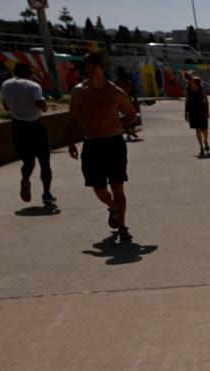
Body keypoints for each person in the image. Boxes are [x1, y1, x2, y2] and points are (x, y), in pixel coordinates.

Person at [67, 52, 137, 241]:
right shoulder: (79, 91)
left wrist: (116, 125)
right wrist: (71, 142)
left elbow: (131, 114)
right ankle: (112, 207)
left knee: (117, 187)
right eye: (87, 66)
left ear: (102, 68)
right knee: (98, 188)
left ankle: (122, 227)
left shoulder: (115, 92)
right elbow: (72, 118)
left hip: (114, 143)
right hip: (92, 143)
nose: (89, 70)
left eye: (93, 66)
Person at [1, 62, 54, 205]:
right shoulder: (33, 86)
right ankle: (47, 193)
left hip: (18, 129)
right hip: (35, 128)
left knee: (28, 162)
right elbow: (39, 103)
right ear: (28, 73)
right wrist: (45, 106)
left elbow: (5, 106)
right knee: (45, 163)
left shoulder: (6, 84)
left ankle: (25, 179)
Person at [185, 75, 210, 157]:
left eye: (192, 80)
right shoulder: (188, 89)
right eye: (190, 80)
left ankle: (205, 141)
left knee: (204, 130)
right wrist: (186, 112)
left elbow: (206, 100)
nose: (190, 81)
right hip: (192, 111)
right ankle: (201, 147)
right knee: (197, 129)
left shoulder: (201, 88)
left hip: (202, 111)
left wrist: (207, 112)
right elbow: (187, 101)